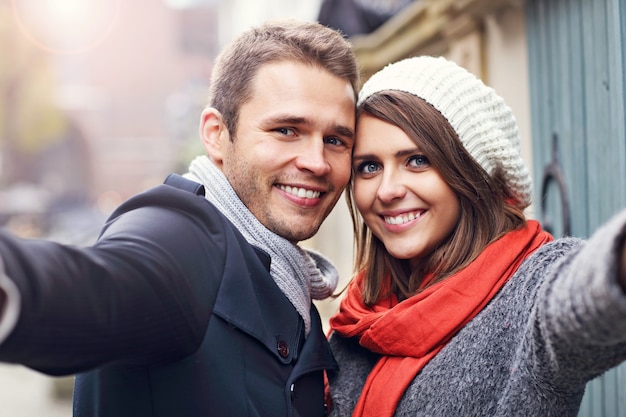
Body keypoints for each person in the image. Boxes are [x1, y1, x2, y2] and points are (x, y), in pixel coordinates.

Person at [0, 19, 359, 417]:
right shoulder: (183, 238)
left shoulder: (288, 275)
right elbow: (94, 291)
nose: (316, 162)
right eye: (287, 130)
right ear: (216, 134)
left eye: (335, 140)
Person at [326, 56, 626, 417]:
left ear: (471, 171)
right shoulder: (363, 312)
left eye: (418, 160)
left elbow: (583, 294)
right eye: (370, 167)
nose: (387, 190)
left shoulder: (529, 287)